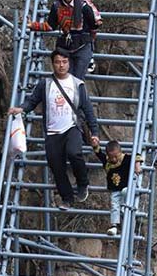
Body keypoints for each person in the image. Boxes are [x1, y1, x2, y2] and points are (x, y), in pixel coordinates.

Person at [8, 48, 100, 210]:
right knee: (56, 166)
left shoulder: (77, 84)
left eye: (64, 62)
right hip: (52, 131)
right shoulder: (45, 84)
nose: (61, 65)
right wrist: (21, 109)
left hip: (72, 127)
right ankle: (67, 198)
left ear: (69, 63)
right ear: (52, 64)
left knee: (74, 153)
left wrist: (95, 132)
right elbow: (32, 101)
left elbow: (88, 109)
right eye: (57, 62)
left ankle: (82, 183)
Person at [27, 0, 98, 79]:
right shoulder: (56, 6)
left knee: (77, 80)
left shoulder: (84, 7)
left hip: (83, 46)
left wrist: (91, 43)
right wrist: (33, 25)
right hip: (65, 46)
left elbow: (93, 26)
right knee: (64, 78)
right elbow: (51, 25)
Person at [91, 139, 142, 235]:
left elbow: (137, 155)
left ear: (120, 152)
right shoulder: (107, 161)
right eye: (111, 157)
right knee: (114, 206)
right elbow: (99, 153)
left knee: (125, 193)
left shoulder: (126, 158)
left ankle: (125, 208)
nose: (114, 159)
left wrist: (137, 165)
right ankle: (114, 225)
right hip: (115, 189)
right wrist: (95, 145)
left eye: (116, 156)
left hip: (127, 187)